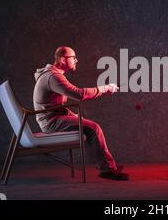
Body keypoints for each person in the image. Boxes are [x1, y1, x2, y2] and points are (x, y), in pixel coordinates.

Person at [33, 46, 128, 181]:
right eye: (73, 57)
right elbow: (79, 94)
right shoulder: (53, 77)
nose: (77, 60)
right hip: (51, 123)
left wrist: (73, 116)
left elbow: (55, 106)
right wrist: (104, 88)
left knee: (91, 127)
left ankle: (107, 166)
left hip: (53, 118)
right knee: (94, 129)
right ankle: (107, 169)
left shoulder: (52, 74)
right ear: (62, 59)